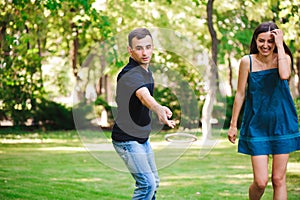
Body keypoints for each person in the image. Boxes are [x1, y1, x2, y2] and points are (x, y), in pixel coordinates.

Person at [228, 21, 300, 200]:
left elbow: (284, 75)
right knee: (261, 181)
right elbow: (240, 94)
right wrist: (233, 125)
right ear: (255, 40)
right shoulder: (247, 61)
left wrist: (281, 45)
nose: (265, 45)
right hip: (256, 125)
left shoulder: (283, 59)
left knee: (278, 179)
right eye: (261, 41)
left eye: (270, 41)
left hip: (282, 123)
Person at [111, 28, 175, 200]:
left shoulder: (145, 71)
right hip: (126, 139)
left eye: (148, 47)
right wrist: (157, 108)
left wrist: (160, 107)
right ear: (130, 50)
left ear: (153, 47)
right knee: (147, 184)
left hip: (141, 138)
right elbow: (143, 95)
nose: (144, 52)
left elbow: (145, 97)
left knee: (153, 182)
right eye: (139, 48)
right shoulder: (129, 74)